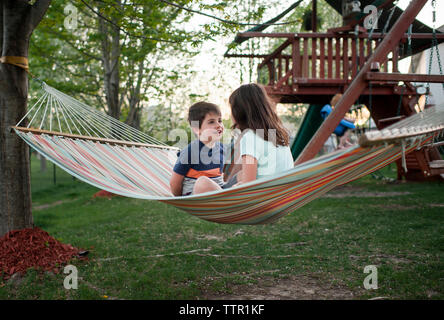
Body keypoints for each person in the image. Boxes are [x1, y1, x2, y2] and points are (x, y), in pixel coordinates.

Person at [193, 83, 294, 194]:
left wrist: (237, 187)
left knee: (202, 182)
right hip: (281, 198)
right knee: (240, 175)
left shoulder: (250, 138)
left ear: (239, 112)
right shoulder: (279, 135)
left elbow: (248, 187)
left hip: (259, 204)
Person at [169, 102, 225, 196]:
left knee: (241, 176)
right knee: (203, 182)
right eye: (211, 122)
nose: (218, 125)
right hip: (196, 196)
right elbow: (174, 183)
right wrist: (180, 200)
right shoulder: (191, 151)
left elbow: (220, 177)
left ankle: (230, 199)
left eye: (219, 120)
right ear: (197, 129)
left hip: (219, 190)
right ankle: (227, 199)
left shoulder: (221, 148)